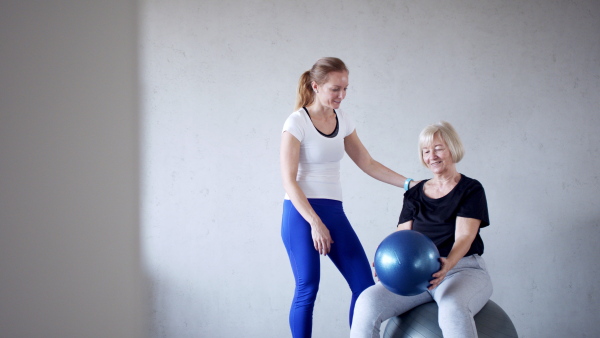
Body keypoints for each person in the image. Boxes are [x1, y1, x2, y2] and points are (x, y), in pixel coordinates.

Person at [280, 57, 415, 338]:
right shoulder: (296, 122)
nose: (341, 95)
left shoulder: (344, 121)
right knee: (308, 286)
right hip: (301, 213)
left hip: (334, 211)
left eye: (345, 89)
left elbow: (367, 163)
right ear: (316, 86)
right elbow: (289, 182)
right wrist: (315, 223)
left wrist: (408, 183)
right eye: (335, 89)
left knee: (365, 287)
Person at [350, 121, 493, 338]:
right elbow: (402, 237)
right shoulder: (414, 193)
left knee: (453, 308)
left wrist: (447, 266)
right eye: (426, 151)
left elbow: (464, 236)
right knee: (367, 302)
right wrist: (386, 262)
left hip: (461, 270)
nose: (431, 156)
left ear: (452, 148)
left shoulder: (470, 189)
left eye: (438, 148)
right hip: (416, 274)